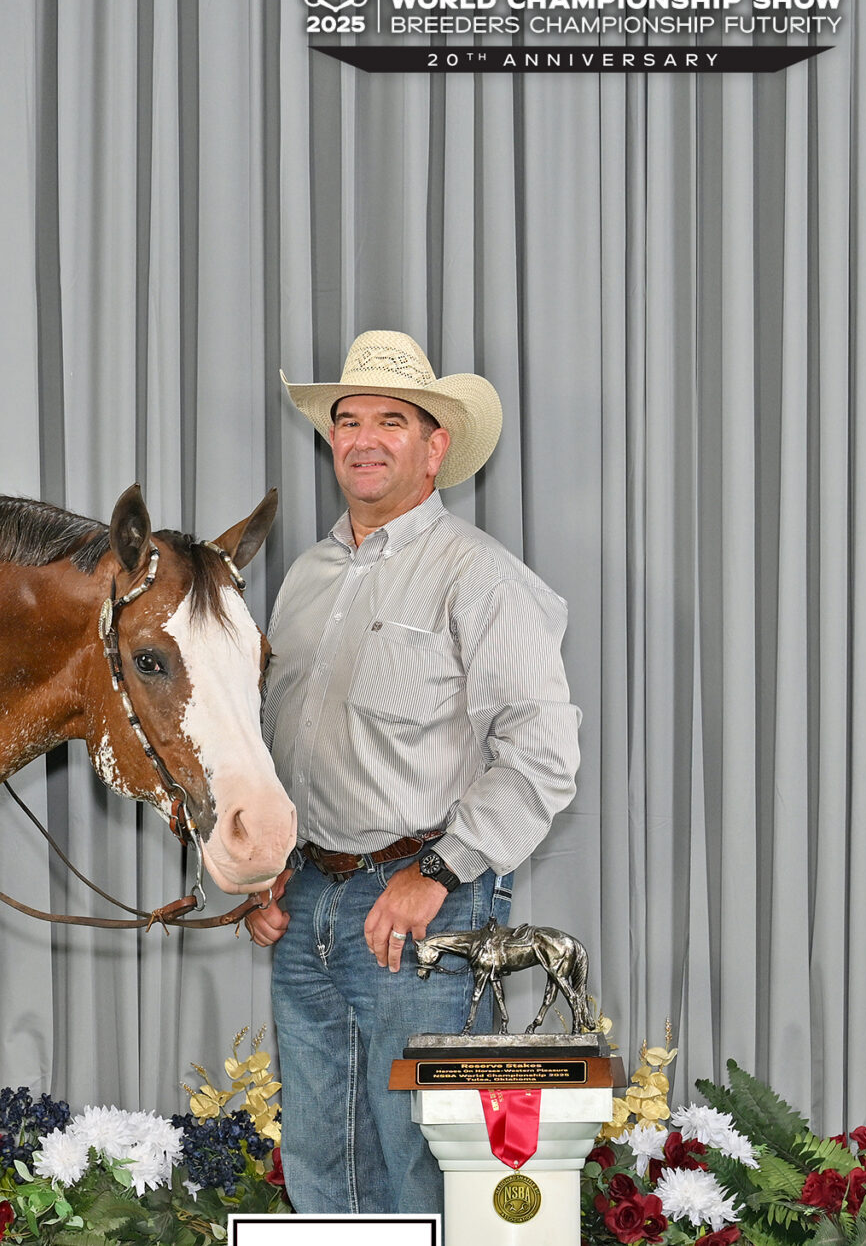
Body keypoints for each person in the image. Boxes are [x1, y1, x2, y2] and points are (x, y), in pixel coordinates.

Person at [244, 330, 582, 1215]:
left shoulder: (482, 578)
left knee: (426, 1159)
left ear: (436, 448)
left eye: (391, 421)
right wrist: (271, 866)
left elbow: (543, 757)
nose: (362, 438)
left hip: (423, 904)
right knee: (322, 1161)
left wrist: (434, 873)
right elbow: (283, 747)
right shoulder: (306, 579)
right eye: (347, 420)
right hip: (308, 897)